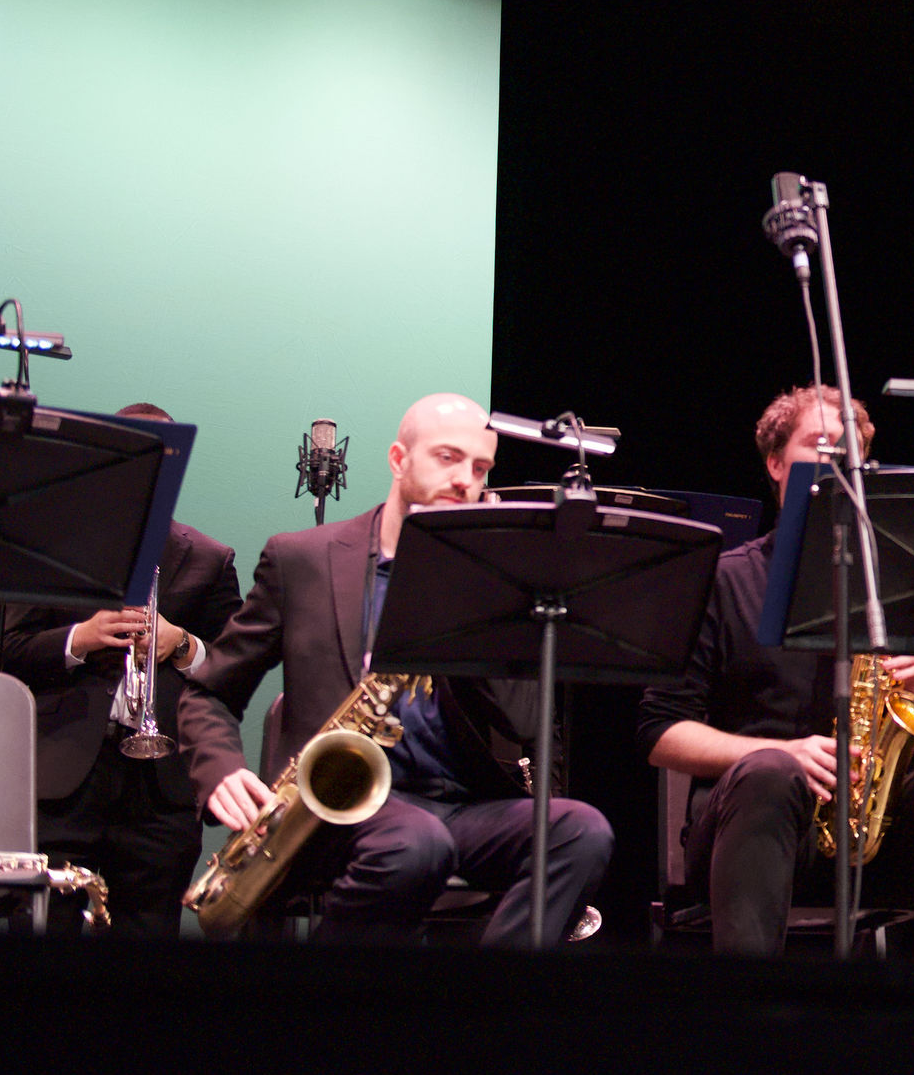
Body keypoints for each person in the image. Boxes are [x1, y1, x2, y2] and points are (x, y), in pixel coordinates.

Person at [178, 393, 613, 943]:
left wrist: (489, 592)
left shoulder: (492, 582)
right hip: (332, 814)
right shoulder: (302, 559)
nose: (466, 480)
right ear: (398, 459)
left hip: (459, 804)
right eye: (448, 458)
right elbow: (208, 692)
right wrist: (220, 770)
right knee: (414, 843)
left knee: (583, 831)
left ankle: (495, 1008)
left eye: (480, 468)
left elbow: (525, 722)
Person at [632, 385, 914, 961]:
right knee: (768, 769)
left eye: (851, 455)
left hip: (875, 837)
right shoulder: (723, 580)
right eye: (819, 446)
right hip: (751, 831)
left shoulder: (908, 585)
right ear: (774, 464)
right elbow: (658, 733)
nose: (838, 465)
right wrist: (781, 752)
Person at [0, 402, 243, 937]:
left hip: (162, 789)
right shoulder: (49, 544)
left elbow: (234, 669)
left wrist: (181, 644)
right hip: (62, 780)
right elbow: (3, 655)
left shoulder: (209, 558)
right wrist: (82, 637)